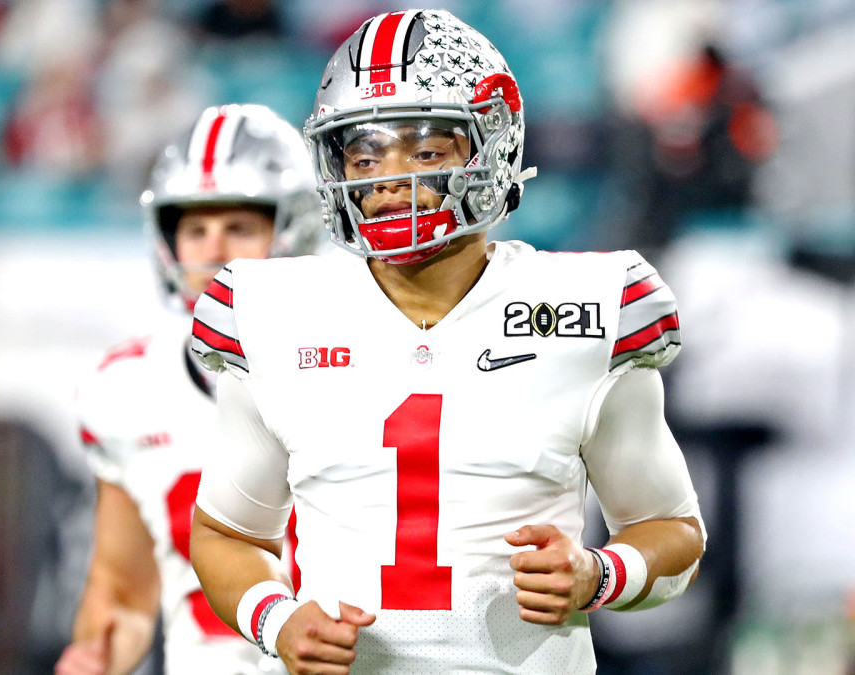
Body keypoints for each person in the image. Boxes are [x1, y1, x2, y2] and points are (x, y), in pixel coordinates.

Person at [188, 9, 706, 674]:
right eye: (365, 155)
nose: (388, 180)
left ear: (493, 145)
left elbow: (675, 533)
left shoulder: (586, 309)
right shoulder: (271, 311)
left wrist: (597, 572)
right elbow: (229, 532)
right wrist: (277, 617)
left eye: (426, 151)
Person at [57, 103, 322, 675]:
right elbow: (123, 592)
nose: (213, 250)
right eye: (195, 229)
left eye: (239, 227)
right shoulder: (125, 388)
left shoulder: (360, 362)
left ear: (297, 227)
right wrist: (94, 654)